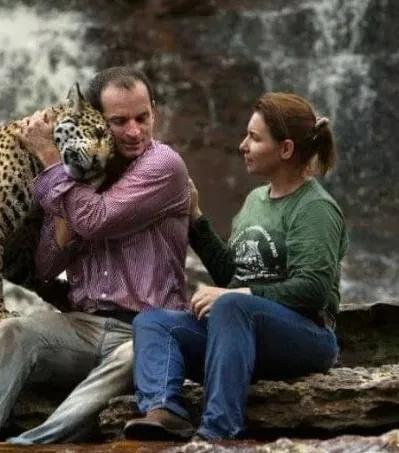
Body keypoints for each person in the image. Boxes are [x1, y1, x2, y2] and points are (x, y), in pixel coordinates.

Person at [0, 66, 191, 445]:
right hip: (83, 325)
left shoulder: (162, 165)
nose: (134, 132)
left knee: (133, 356)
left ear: (155, 111)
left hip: (146, 328)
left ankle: (31, 445)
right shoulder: (74, 172)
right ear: (94, 120)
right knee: (15, 330)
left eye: (142, 117)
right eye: (118, 122)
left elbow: (97, 220)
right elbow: (47, 265)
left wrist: (50, 160)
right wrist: (71, 180)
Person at [123, 92, 348, 442]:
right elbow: (234, 276)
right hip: (243, 333)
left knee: (230, 304)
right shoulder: (256, 200)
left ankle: (218, 430)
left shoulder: (314, 208)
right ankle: (164, 410)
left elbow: (313, 291)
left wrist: (240, 294)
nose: (242, 145)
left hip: (307, 337)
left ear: (285, 149)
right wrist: (194, 217)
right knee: (153, 321)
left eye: (254, 138)